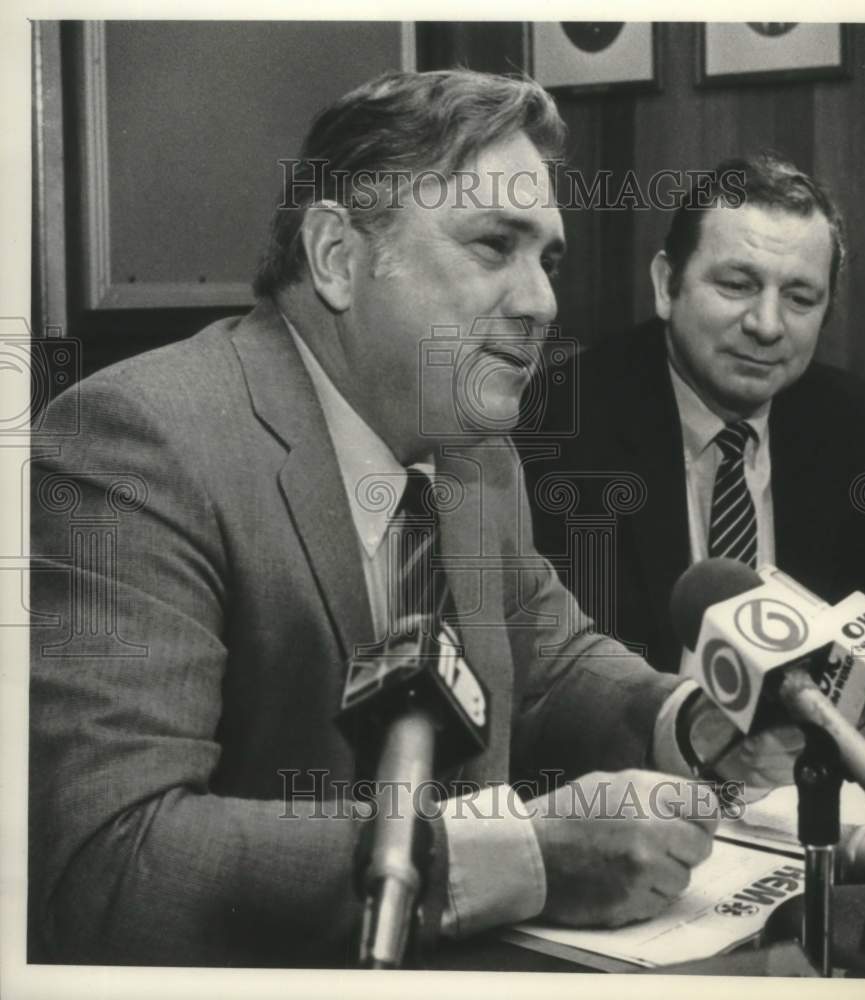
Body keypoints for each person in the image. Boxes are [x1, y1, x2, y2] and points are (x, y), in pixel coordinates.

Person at [29, 73, 802, 968]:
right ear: (337, 258)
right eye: (493, 246)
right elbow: (112, 867)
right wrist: (518, 858)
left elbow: (549, 667)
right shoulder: (138, 442)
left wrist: (691, 719)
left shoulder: (473, 452)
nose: (543, 303)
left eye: (546, 259)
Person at [523, 153, 865, 672]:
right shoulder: (558, 423)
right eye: (737, 285)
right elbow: (553, 675)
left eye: (800, 297)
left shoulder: (852, 422)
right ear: (665, 286)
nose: (767, 325)